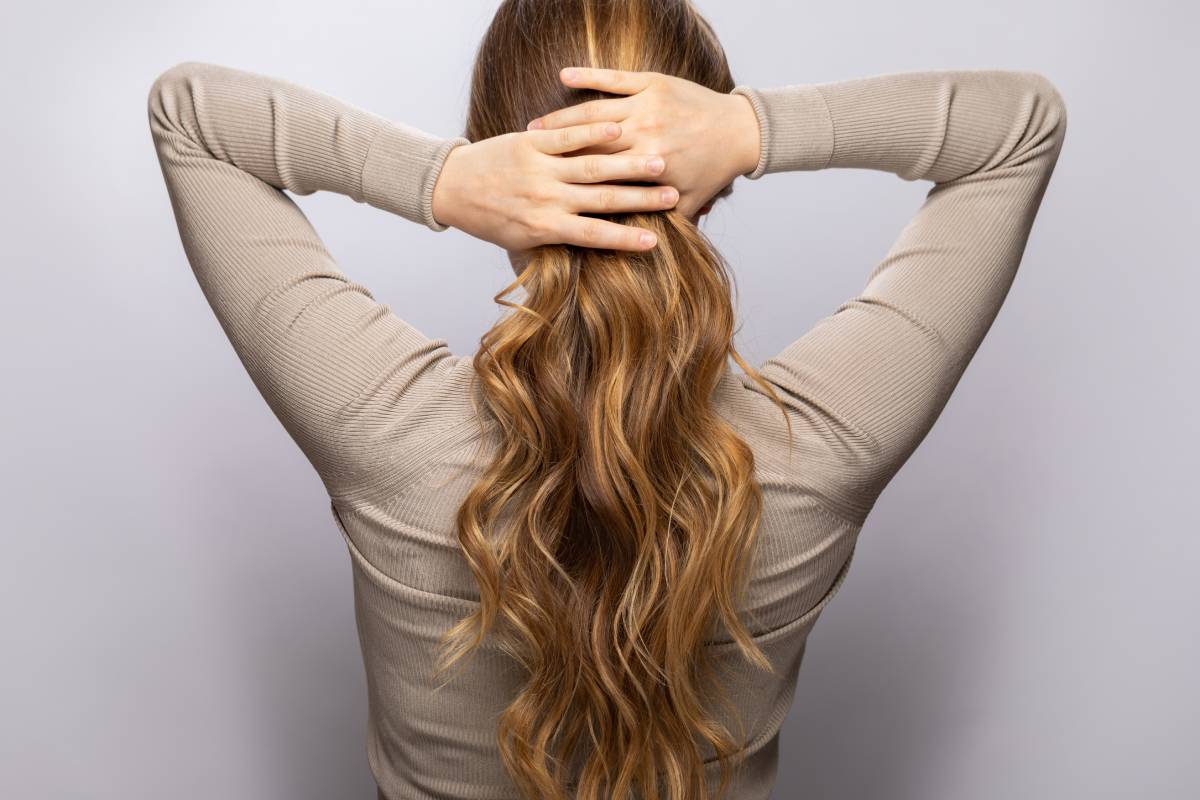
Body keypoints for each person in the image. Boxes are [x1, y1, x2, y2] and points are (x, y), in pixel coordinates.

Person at [145, 0, 1066, 797]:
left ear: (500, 149)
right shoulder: (818, 445)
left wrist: (444, 181)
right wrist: (752, 129)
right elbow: (1020, 126)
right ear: (700, 190)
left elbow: (191, 115)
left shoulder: (388, 430)